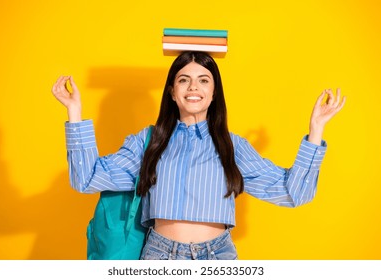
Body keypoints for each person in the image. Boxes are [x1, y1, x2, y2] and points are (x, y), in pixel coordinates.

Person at [52, 51, 346, 260]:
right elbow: (86, 179)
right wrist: (74, 112)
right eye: (184, 80)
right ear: (171, 91)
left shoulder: (233, 146)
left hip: (218, 257)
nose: (194, 87)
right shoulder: (148, 141)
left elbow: (292, 193)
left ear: (214, 92)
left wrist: (316, 129)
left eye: (204, 80)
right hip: (160, 257)